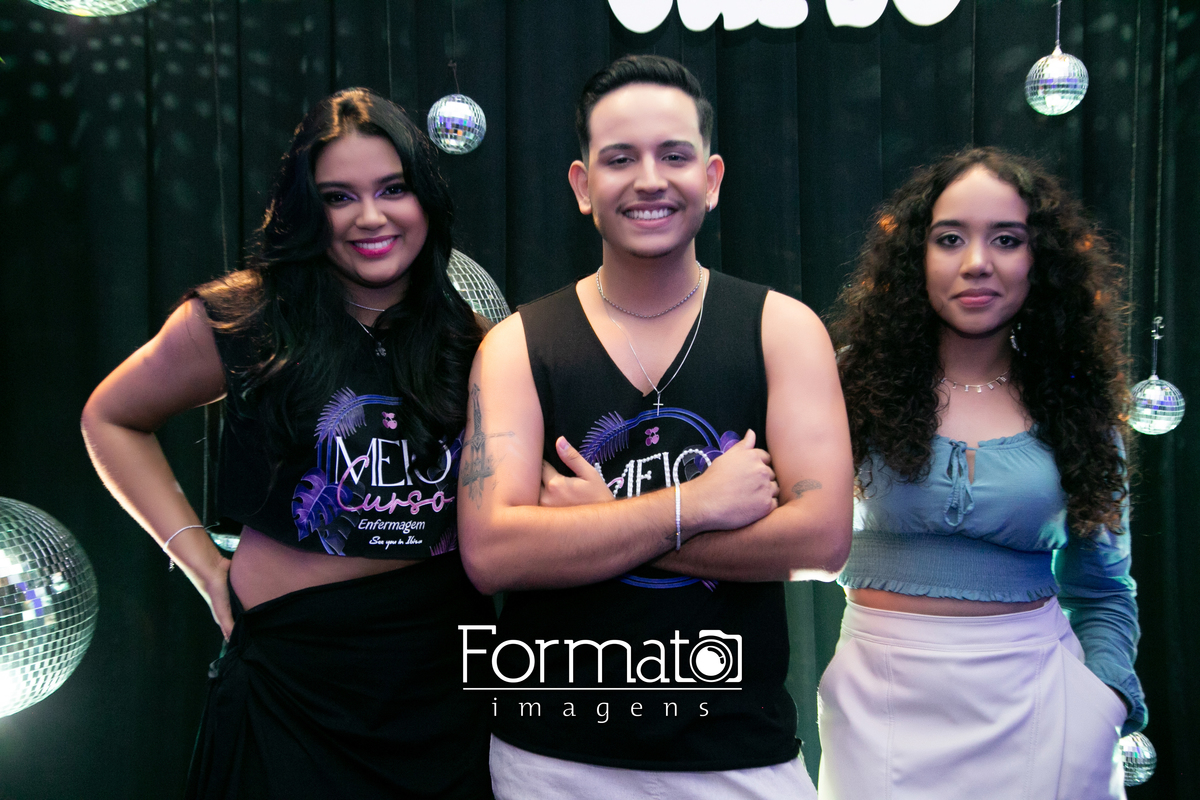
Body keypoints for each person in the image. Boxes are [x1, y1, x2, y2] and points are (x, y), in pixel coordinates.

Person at [457, 55, 853, 799]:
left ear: (712, 177)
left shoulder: (784, 330)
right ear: (583, 186)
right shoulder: (514, 346)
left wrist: (602, 522)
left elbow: (822, 540)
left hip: (740, 756)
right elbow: (493, 554)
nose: (648, 180)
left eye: (674, 155)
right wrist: (694, 506)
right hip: (552, 759)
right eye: (619, 159)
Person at [81, 88, 494, 799]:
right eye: (339, 197)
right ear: (307, 209)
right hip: (291, 684)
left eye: (392, 189)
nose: (370, 217)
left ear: (426, 197)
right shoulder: (246, 319)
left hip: (440, 680)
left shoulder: (471, 335)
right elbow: (110, 418)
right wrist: (202, 564)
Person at [818, 148, 1145, 799]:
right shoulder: (845, 384)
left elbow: (1106, 591)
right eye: (949, 239)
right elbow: (784, 530)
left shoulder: (1077, 402)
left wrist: (1103, 698)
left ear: (1040, 260)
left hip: (1043, 711)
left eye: (1006, 239)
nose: (976, 262)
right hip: (877, 705)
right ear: (914, 256)